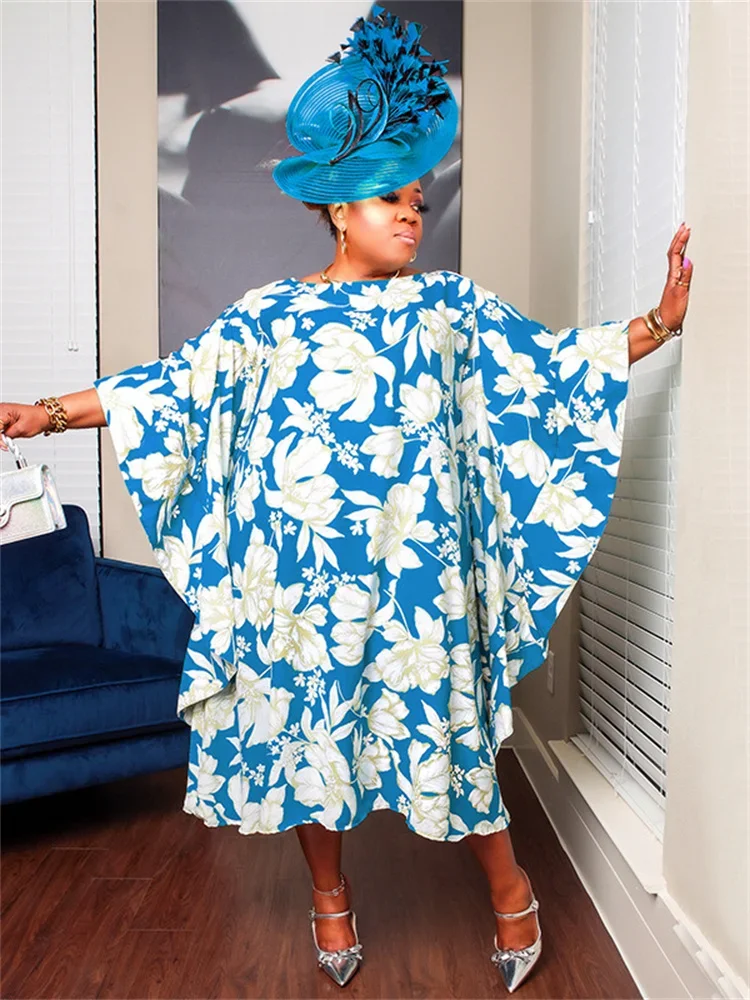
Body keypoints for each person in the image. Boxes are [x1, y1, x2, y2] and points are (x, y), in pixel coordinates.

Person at [0, 6, 693, 993]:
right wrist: (47, 414)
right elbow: (170, 387)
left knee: (447, 730)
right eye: (389, 200)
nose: (412, 216)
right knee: (312, 741)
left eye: (418, 201)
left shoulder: (449, 306)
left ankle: (511, 892)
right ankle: (330, 896)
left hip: (418, 574)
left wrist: (657, 324)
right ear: (336, 208)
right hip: (301, 575)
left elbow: (550, 369)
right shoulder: (269, 316)